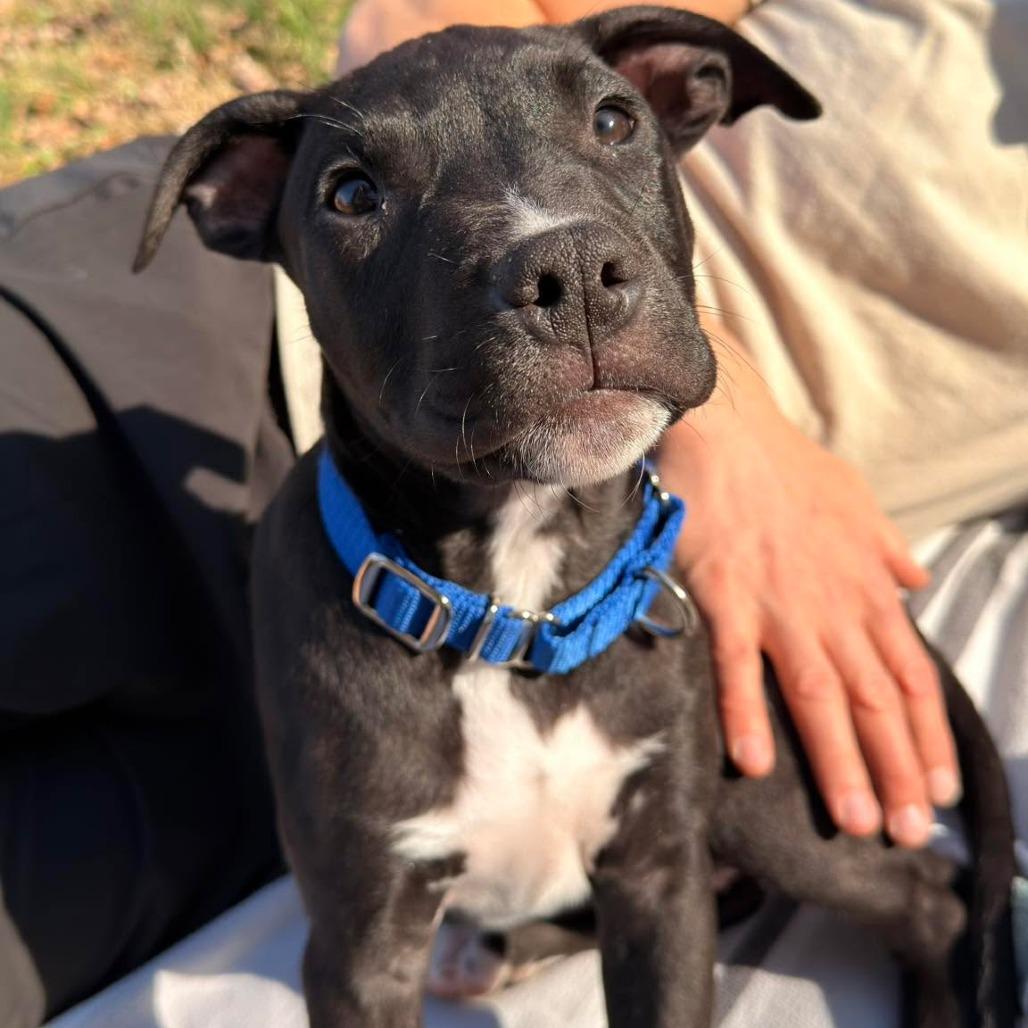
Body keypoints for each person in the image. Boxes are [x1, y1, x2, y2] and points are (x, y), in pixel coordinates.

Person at [0, 0, 1025, 1025]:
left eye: (615, 131)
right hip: (214, 358)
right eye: (623, 117)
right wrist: (732, 433)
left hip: (347, 711)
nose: (564, 264)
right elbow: (434, 26)